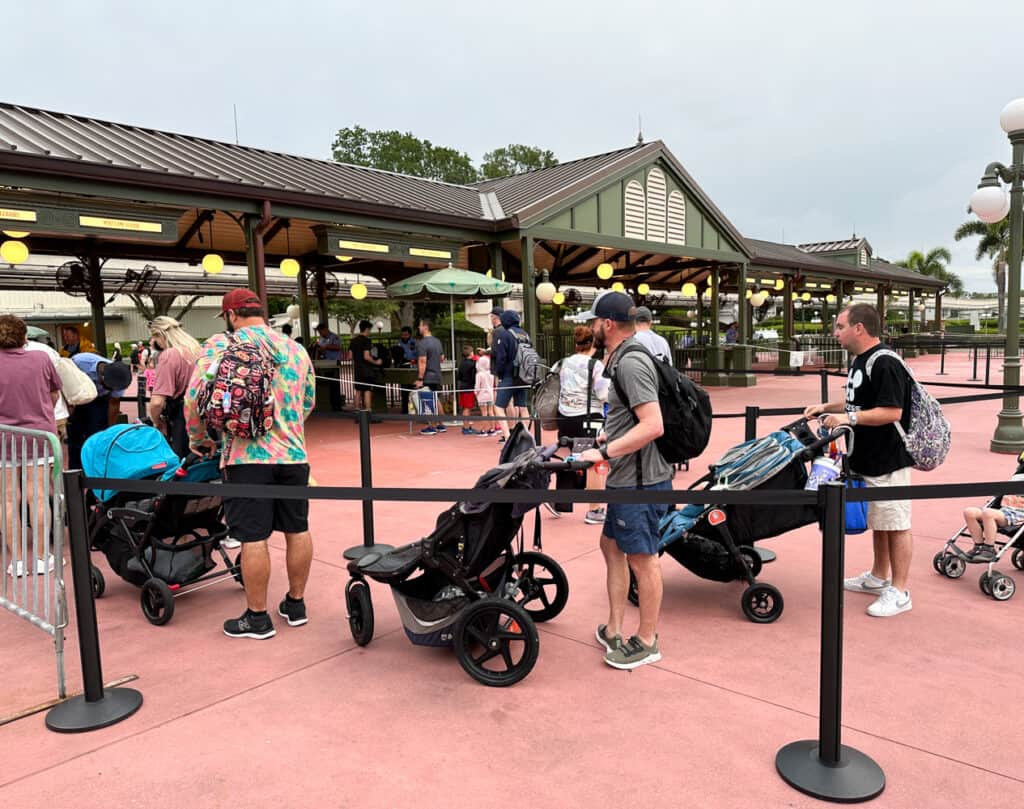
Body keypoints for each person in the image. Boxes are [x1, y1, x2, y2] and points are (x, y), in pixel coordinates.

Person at [185, 289, 316, 640]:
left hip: (245, 458)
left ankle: (257, 618)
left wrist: (200, 441)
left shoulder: (219, 346)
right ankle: (296, 604)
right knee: (297, 529)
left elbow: (193, 400)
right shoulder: (295, 349)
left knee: (253, 537)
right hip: (293, 454)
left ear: (231, 315)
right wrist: (287, 428)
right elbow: (307, 402)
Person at [577, 292, 670, 670]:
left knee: (642, 559)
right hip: (628, 477)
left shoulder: (631, 363)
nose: (591, 327)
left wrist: (604, 452)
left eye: (595, 322)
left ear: (608, 325)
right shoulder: (622, 357)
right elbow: (629, 417)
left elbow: (653, 424)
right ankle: (614, 627)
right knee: (611, 547)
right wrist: (607, 439)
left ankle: (647, 640)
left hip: (641, 482)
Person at [803, 302, 914, 618]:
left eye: (839, 326)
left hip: (889, 457)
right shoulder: (860, 361)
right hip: (867, 455)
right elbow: (857, 402)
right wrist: (828, 406)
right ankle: (879, 577)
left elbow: (891, 411)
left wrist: (847, 418)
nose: (835, 332)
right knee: (880, 522)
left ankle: (901, 590)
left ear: (859, 328)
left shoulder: (885, 363)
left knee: (896, 522)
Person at [0, 315, 62, 577]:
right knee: (37, 495)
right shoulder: (41, 359)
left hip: (4, 439)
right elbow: (55, 394)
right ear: (24, 335)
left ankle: (16, 562)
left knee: (8, 499)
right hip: (39, 436)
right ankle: (41, 557)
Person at [548, 325, 610, 521]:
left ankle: (561, 502)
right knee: (593, 460)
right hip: (588, 418)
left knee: (568, 457)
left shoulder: (562, 363)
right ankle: (595, 509)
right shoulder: (596, 365)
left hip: (565, 416)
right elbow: (604, 394)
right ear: (593, 343)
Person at [147, 316, 202, 458]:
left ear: (160, 334)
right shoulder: (197, 350)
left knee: (181, 466)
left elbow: (157, 402)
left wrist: (156, 421)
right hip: (202, 415)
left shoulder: (169, 355)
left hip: (181, 419)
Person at [67, 351, 132, 470]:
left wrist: (109, 430)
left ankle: (96, 469)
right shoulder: (80, 362)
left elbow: (113, 404)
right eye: (107, 386)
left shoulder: (119, 377)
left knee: (97, 434)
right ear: (101, 377)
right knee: (75, 435)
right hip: (77, 398)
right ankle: (75, 470)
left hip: (99, 400)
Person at [962, 474, 1024, 561]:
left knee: (988, 513)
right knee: (969, 512)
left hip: (1017, 515)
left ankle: (989, 550)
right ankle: (978, 546)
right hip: (1004, 510)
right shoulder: (1018, 477)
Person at [493, 310, 529, 442]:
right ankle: (526, 437)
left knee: (498, 407)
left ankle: (508, 437)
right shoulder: (525, 334)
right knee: (523, 407)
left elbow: (501, 358)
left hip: (509, 375)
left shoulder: (505, 334)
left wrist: (500, 374)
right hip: (524, 375)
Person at [414, 319, 445, 435]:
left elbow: (422, 361)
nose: (418, 327)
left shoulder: (422, 343)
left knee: (427, 400)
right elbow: (442, 358)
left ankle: (431, 425)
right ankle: (441, 424)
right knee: (436, 399)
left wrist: (420, 378)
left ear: (425, 327)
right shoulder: (437, 341)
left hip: (428, 376)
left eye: (420, 325)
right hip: (437, 374)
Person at [350, 320, 383, 412]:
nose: (370, 332)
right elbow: (366, 356)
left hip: (357, 369)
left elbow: (350, 356)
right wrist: (377, 362)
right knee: (367, 390)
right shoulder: (367, 341)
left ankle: (356, 412)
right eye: (370, 330)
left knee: (358, 391)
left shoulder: (353, 340)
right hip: (367, 370)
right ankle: (368, 411)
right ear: (367, 329)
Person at [315, 322, 343, 411]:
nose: (320, 334)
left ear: (325, 330)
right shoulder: (321, 339)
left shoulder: (334, 337)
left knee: (335, 385)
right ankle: (329, 405)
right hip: (325, 364)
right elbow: (320, 349)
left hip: (334, 363)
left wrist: (327, 347)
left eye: (321, 332)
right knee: (327, 385)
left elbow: (338, 347)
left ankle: (337, 406)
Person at [474, 353, 498, 436]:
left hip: (482, 396)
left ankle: (484, 430)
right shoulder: (491, 373)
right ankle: (492, 429)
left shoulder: (479, 374)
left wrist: (475, 393)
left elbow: (477, 386)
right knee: (491, 412)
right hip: (490, 395)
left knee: (484, 413)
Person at [457, 345, 479, 435]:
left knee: (466, 408)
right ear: (471, 353)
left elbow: (459, 376)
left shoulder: (462, 363)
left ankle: (466, 426)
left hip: (463, 386)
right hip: (469, 388)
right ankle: (466, 428)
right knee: (467, 408)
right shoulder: (473, 364)